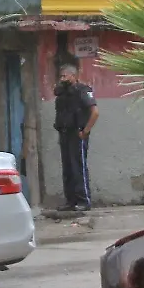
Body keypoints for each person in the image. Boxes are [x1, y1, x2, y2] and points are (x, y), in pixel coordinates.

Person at [53, 61, 99, 212]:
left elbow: (95, 112)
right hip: (64, 133)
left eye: (65, 76)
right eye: (61, 76)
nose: (62, 79)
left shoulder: (82, 90)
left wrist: (85, 131)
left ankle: (83, 201)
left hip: (77, 134)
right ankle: (70, 201)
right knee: (67, 169)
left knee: (78, 167)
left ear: (73, 76)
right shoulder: (62, 93)